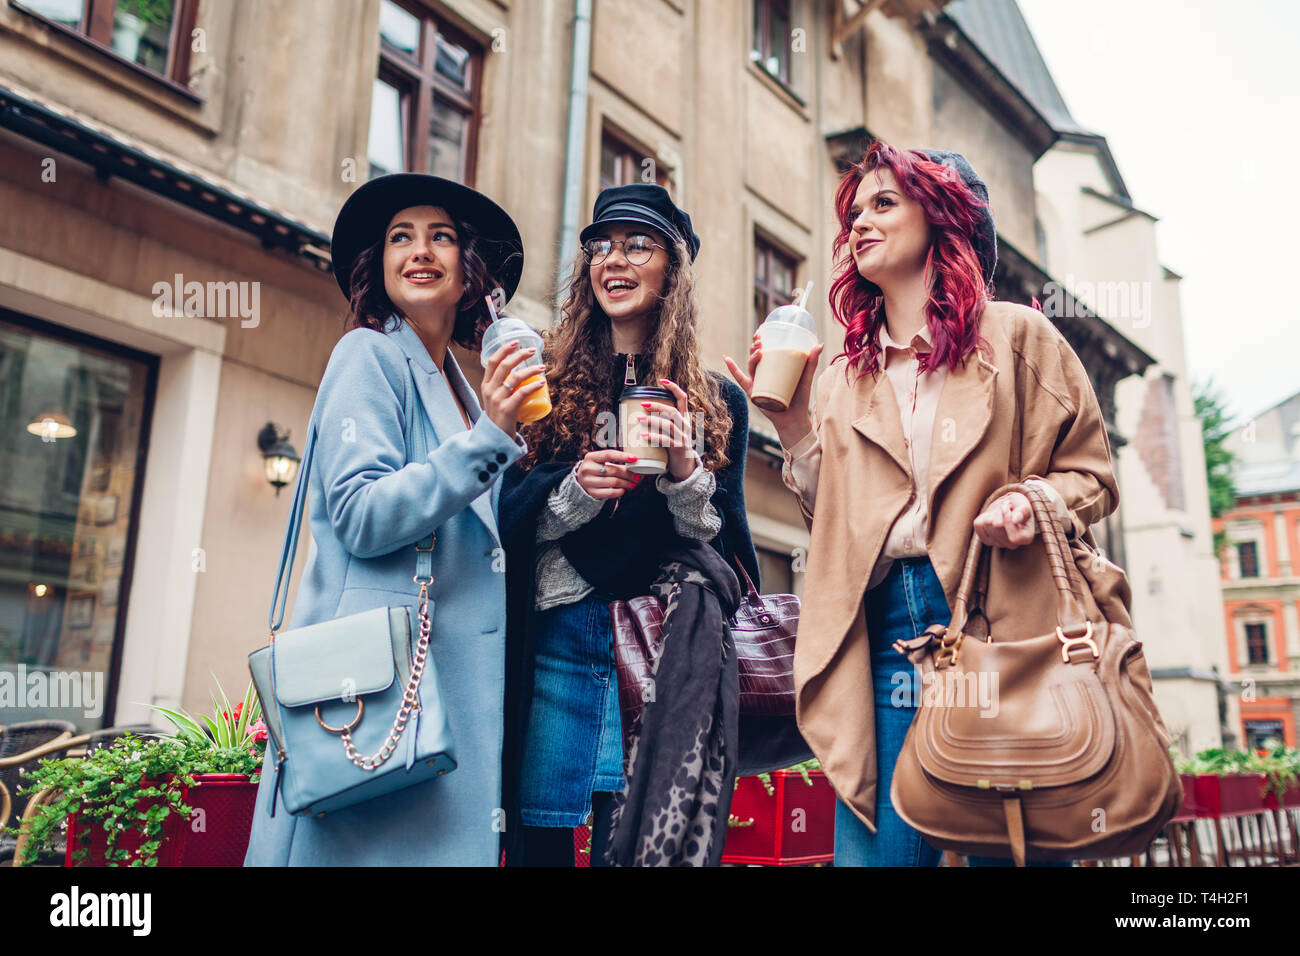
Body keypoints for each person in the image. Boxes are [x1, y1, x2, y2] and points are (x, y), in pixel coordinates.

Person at [726, 142, 1117, 867]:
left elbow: (1092, 476)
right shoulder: (847, 371)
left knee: (1017, 846)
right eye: (854, 213)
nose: (859, 225)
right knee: (877, 848)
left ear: (940, 218)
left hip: (1001, 619)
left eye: (883, 204)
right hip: (882, 631)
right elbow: (834, 521)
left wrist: (1033, 502)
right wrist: (791, 427)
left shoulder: (1018, 337)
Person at [243, 174, 539, 866]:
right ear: (377, 265)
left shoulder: (463, 389)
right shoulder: (369, 354)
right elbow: (358, 513)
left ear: (472, 275)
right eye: (400, 237)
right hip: (375, 709)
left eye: (442, 237)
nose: (420, 250)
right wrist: (494, 436)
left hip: (432, 715)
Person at [499, 184, 759, 866]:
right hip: (559, 633)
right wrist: (574, 490)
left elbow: (721, 545)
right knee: (541, 841)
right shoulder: (545, 381)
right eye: (602, 245)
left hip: (658, 648)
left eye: (637, 244)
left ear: (672, 267)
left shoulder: (716, 399)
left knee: (642, 840)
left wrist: (681, 470)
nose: (614, 259)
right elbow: (504, 514)